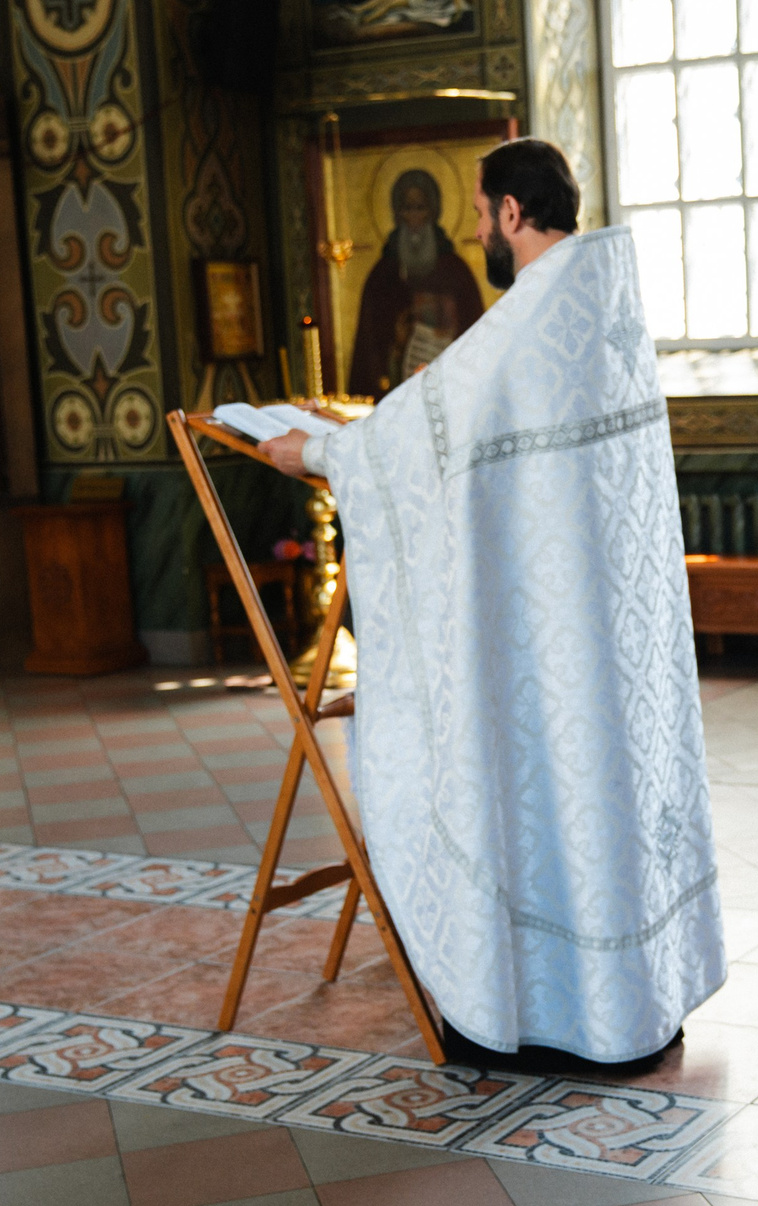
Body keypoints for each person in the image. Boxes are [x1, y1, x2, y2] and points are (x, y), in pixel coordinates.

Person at [257, 139, 722, 1067]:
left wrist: (315, 451)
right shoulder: (602, 306)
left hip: (546, 638)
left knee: (546, 792)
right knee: (605, 797)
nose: (475, 231)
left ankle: (555, 1019)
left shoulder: (529, 319)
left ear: (513, 212)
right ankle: (633, 1001)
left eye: (479, 213)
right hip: (606, 630)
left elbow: (422, 433)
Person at [349, 166, 485, 392]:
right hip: (396, 390)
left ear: (432, 211)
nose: (413, 217)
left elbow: (474, 338)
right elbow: (369, 350)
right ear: (397, 213)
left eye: (420, 208)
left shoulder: (456, 272)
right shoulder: (382, 275)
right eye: (406, 208)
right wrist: (397, 343)